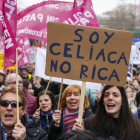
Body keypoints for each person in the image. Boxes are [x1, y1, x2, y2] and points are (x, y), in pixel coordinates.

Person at [74, 85, 140, 140]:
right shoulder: (90, 123)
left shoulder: (134, 127)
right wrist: (80, 134)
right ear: (103, 101)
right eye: (106, 95)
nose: (110, 98)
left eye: (115, 95)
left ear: (122, 101)